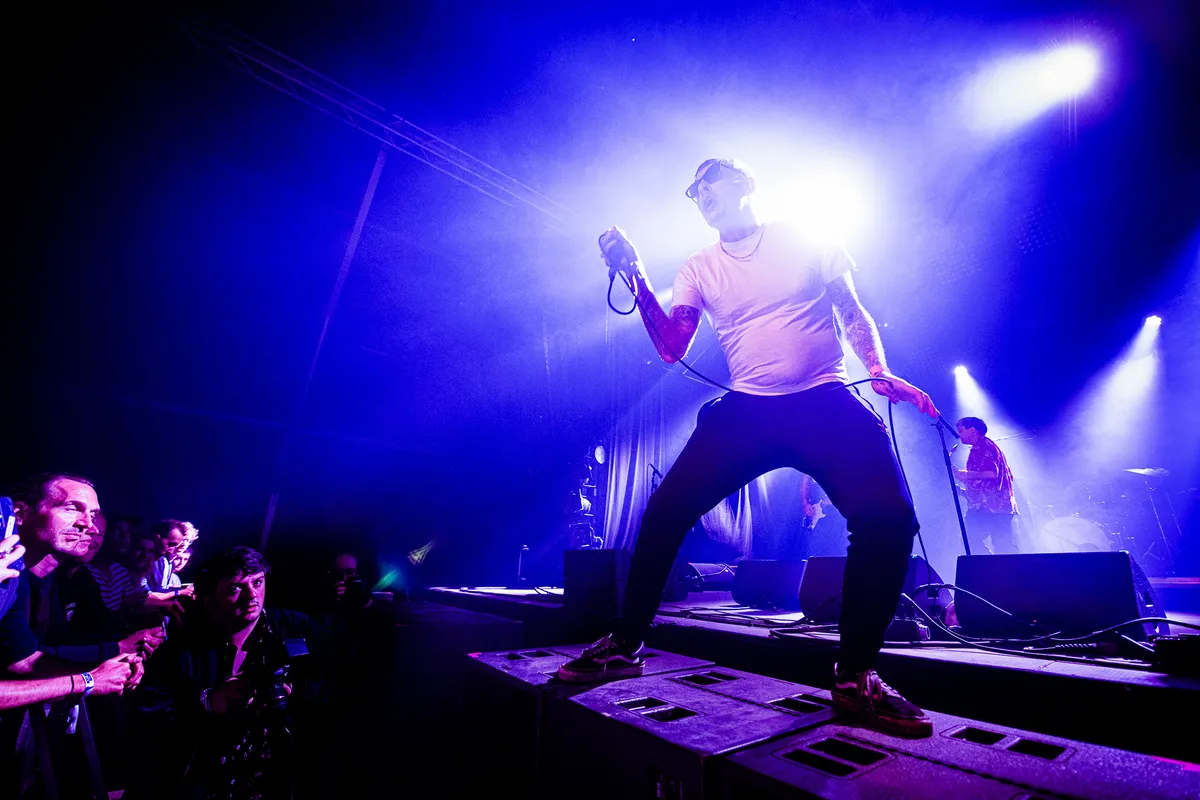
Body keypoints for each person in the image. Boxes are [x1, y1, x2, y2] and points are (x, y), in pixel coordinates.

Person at [558, 158, 939, 738]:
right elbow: (672, 347)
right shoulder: (699, 267)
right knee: (664, 513)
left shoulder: (806, 236)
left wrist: (879, 369)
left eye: (707, 181)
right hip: (749, 409)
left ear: (743, 184)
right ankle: (626, 644)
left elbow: (850, 308)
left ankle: (855, 675)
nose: (699, 194)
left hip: (824, 398)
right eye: (692, 191)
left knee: (889, 519)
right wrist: (635, 274)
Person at [129, 547, 329, 800]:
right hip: (206, 780)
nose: (252, 595)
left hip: (280, 775)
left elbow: (334, 684)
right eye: (235, 588)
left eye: (257, 582)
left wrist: (296, 693)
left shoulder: (297, 628)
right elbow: (148, 719)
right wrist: (208, 702)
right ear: (209, 599)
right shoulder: (181, 651)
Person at [954, 417, 1019, 554]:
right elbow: (983, 481)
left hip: (991, 507)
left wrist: (966, 474)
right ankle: (994, 565)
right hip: (995, 506)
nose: (959, 435)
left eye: (961, 430)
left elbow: (991, 473)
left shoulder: (983, 447)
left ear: (972, 430)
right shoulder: (983, 446)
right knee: (1002, 546)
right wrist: (964, 484)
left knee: (970, 540)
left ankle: (989, 564)